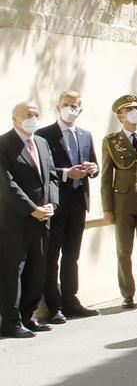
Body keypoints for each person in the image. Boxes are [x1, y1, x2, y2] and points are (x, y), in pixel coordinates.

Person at [36, 91, 101, 320]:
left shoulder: (85, 135)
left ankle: (71, 300)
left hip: (78, 204)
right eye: (66, 105)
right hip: (56, 204)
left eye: (74, 105)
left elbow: (94, 162)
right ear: (57, 106)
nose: (70, 109)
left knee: (71, 256)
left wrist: (93, 168)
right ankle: (54, 306)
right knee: (51, 256)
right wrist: (66, 173)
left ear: (80, 109)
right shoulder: (43, 135)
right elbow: (43, 169)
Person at [0, 102, 58, 339]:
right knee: (13, 272)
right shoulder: (3, 144)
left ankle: (28, 316)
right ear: (15, 119)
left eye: (35, 114)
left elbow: (52, 177)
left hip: (43, 219)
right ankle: (11, 322)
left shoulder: (42, 143)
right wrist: (31, 209)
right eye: (27, 115)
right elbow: (6, 183)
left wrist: (51, 205)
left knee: (38, 268)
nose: (32, 118)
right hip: (15, 221)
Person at [101, 93, 137, 309]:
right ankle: (127, 294)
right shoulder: (111, 141)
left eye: (136, 107)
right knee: (124, 252)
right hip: (123, 203)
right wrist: (107, 208)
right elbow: (107, 177)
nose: (135, 112)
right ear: (120, 116)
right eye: (130, 109)